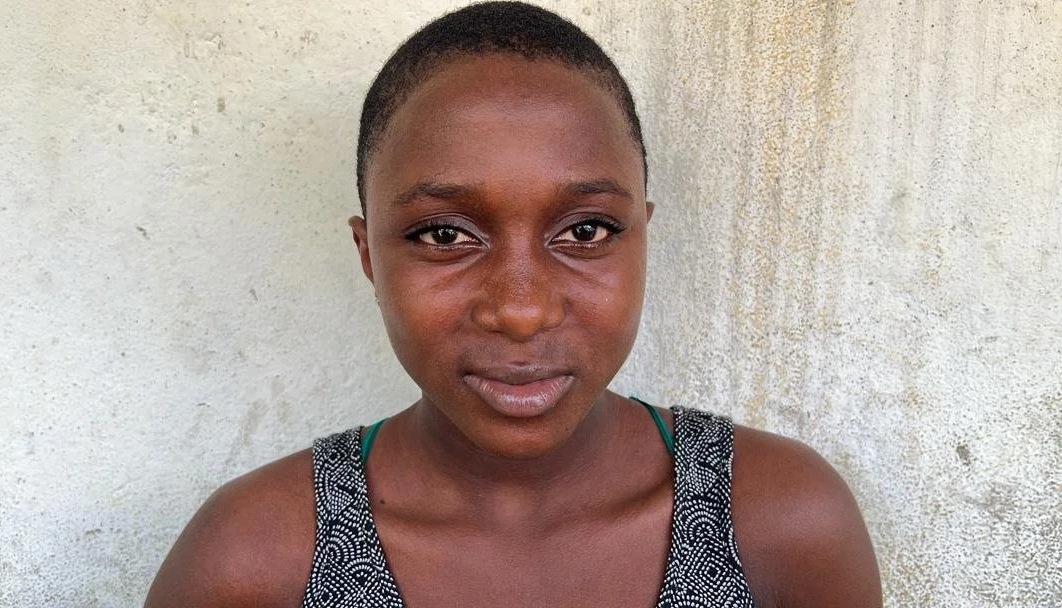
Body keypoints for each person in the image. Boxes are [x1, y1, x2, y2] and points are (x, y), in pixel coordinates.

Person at [144, 2, 882, 607]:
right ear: (369, 257)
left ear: (642, 239)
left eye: (586, 231)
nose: (521, 311)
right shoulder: (254, 560)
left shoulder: (780, 527)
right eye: (444, 235)